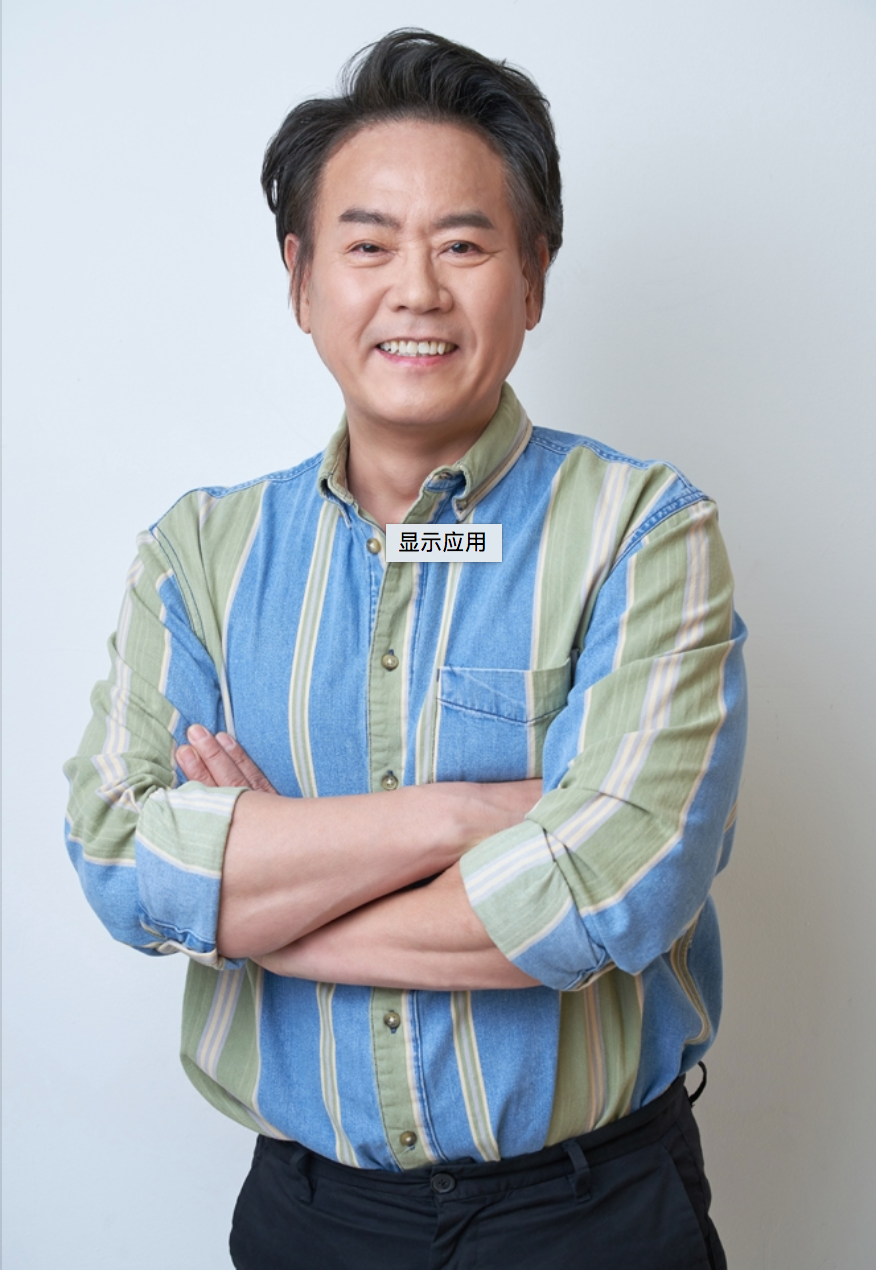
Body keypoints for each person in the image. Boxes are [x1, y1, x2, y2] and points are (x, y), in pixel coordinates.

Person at [64, 29, 747, 1270]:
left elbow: (615, 889)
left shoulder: (643, 532)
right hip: (309, 1218)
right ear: (301, 278)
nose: (417, 290)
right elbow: (121, 856)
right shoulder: (201, 555)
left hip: (588, 1215)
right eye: (370, 244)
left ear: (533, 276)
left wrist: (259, 903)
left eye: (465, 245)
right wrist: (462, 816)